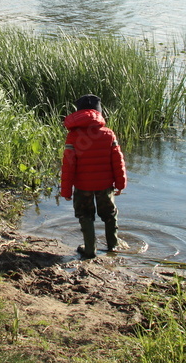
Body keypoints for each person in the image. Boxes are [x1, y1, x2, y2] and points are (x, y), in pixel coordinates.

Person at [60, 94, 127, 259]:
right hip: (105, 185)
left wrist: (66, 191)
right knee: (109, 214)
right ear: (99, 112)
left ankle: (90, 249)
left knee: (85, 215)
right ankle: (113, 246)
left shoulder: (73, 136)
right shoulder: (108, 134)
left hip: (83, 186)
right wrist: (120, 184)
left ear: (79, 113)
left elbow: (68, 166)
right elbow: (118, 162)